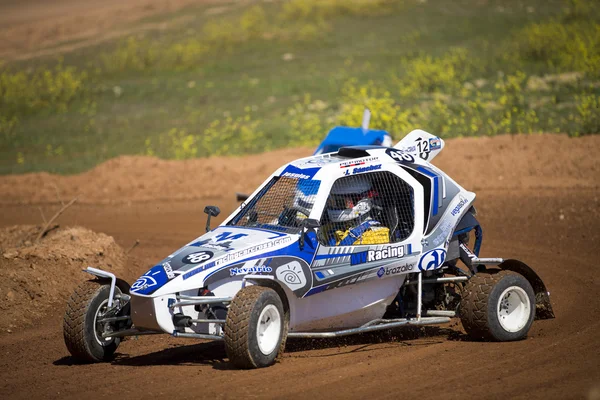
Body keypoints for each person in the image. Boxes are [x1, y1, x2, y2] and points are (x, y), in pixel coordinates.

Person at [324, 178, 390, 246]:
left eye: (339, 202)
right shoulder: (329, 228)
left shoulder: (374, 236)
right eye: (330, 201)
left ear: (361, 203)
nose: (333, 205)